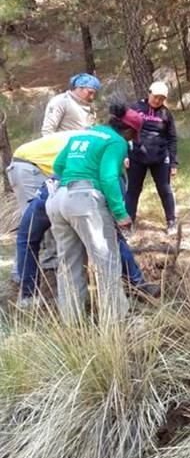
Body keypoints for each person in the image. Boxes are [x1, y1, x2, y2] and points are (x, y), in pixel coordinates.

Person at [45, 103, 144, 323]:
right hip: (85, 201)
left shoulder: (86, 133)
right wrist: (120, 213)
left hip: (58, 199)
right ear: (128, 131)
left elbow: (58, 165)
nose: (130, 140)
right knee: (106, 258)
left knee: (69, 263)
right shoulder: (116, 142)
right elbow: (108, 177)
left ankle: (72, 320)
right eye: (132, 135)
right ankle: (116, 319)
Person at [16, 179, 159, 307]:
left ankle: (30, 298)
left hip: (50, 194)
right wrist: (120, 217)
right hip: (78, 200)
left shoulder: (73, 157)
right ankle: (136, 288)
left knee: (27, 240)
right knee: (112, 240)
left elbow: (58, 165)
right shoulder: (113, 167)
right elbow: (113, 198)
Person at [6, 131, 81, 281]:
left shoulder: (85, 136)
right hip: (29, 167)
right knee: (34, 223)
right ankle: (22, 274)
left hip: (31, 165)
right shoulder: (93, 143)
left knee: (47, 216)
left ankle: (50, 264)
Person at [126, 81, 179, 235]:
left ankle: (171, 221)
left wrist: (173, 163)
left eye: (162, 99)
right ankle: (128, 224)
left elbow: (172, 138)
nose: (158, 101)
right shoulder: (135, 109)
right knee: (133, 191)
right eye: (156, 97)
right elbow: (123, 132)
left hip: (160, 158)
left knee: (165, 189)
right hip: (136, 156)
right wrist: (124, 155)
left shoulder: (166, 114)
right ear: (149, 93)